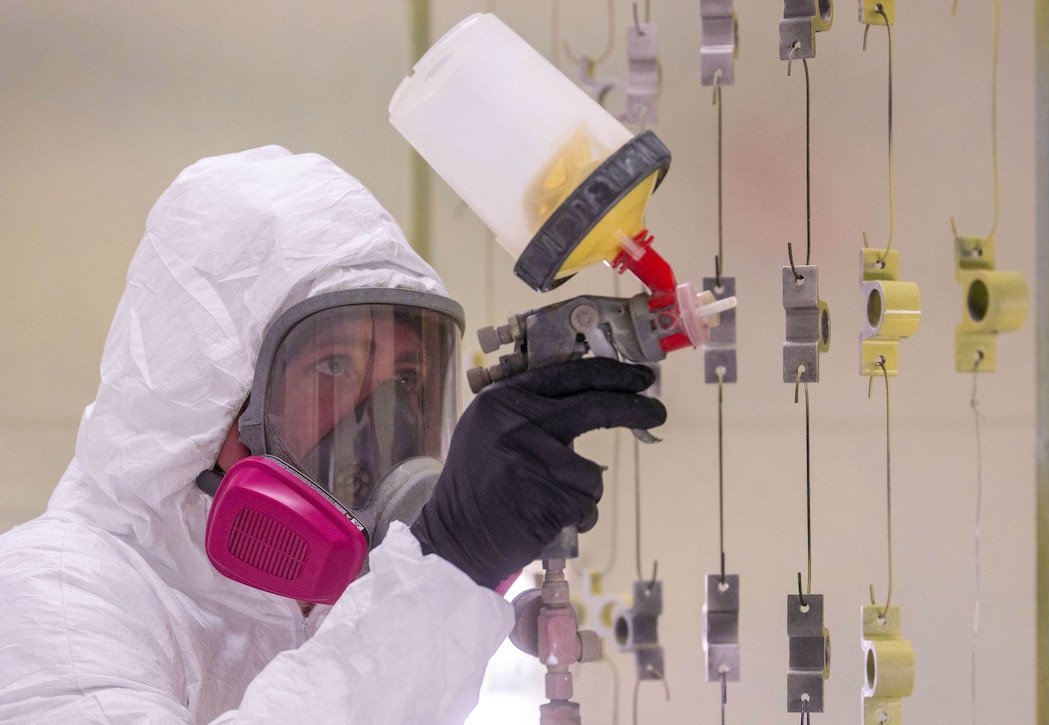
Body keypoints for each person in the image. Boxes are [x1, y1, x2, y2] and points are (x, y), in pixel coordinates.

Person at [0, 146, 665, 723]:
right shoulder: (51, 594)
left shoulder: (340, 616)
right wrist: (444, 566)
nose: (382, 419)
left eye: (407, 378)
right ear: (214, 402)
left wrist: (432, 585)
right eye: (334, 366)